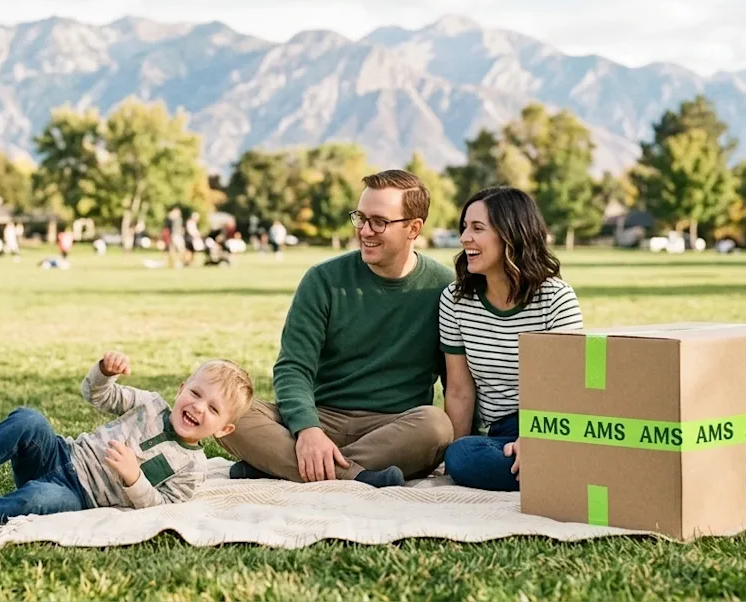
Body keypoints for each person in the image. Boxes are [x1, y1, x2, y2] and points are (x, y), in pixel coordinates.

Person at [220, 170, 455, 488]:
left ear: (413, 227)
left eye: (379, 222)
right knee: (228, 411)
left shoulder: (444, 288)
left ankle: (282, 466)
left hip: (395, 428)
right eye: (360, 218)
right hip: (322, 416)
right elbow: (293, 368)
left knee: (437, 425)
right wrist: (308, 430)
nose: (364, 231)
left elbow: (455, 382)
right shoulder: (323, 280)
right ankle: (354, 475)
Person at [0, 352, 255, 530]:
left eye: (213, 408)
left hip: (80, 494)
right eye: (195, 393)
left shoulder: (191, 470)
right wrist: (104, 371)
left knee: (39, 498)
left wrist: (134, 478)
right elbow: (96, 395)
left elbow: (159, 508)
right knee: (30, 419)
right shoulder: (149, 404)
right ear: (181, 389)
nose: (197, 406)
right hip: (61, 454)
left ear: (223, 429)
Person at [440, 186, 583, 492]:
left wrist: (538, 437)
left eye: (478, 228)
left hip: (554, 422)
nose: (465, 238)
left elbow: (570, 386)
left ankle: (554, 466)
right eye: (464, 227)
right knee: (462, 456)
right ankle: (559, 474)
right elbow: (459, 390)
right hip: (500, 434)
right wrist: (450, 459)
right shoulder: (455, 300)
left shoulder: (556, 297)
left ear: (512, 235)